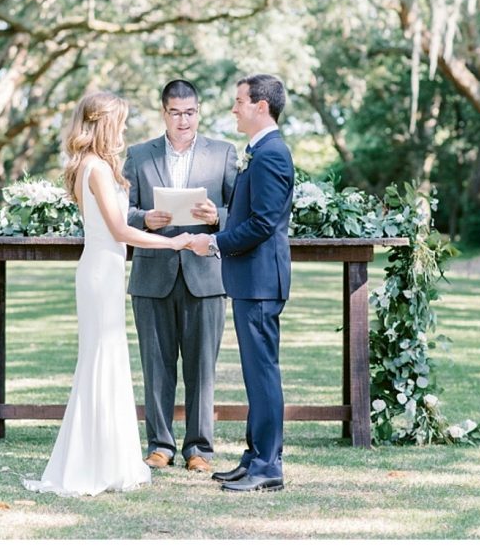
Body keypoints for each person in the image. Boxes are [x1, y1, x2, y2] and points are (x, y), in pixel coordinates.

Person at [23, 91, 192, 497]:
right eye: (119, 121)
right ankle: (95, 462)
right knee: (101, 360)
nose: (123, 129)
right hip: (101, 271)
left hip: (106, 270)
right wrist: (175, 242)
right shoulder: (95, 168)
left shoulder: (93, 165)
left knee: (108, 360)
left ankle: (108, 457)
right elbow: (119, 231)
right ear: (103, 123)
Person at [123, 79, 238, 474]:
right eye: (175, 112)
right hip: (153, 274)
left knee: (202, 368)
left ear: (199, 111)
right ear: (164, 113)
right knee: (156, 366)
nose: (183, 119)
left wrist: (217, 217)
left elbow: (241, 210)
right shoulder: (138, 156)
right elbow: (121, 210)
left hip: (205, 276)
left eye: (190, 112)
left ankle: (200, 449)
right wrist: (144, 219)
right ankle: (159, 445)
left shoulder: (223, 153)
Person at [189, 74, 294, 493]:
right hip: (252, 280)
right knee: (255, 373)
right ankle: (254, 456)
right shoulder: (261, 151)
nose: (234, 109)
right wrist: (219, 219)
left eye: (239, 102)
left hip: (261, 281)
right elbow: (250, 213)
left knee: (263, 372)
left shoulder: (270, 154)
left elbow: (265, 223)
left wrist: (213, 242)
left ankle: (269, 466)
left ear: (261, 106)